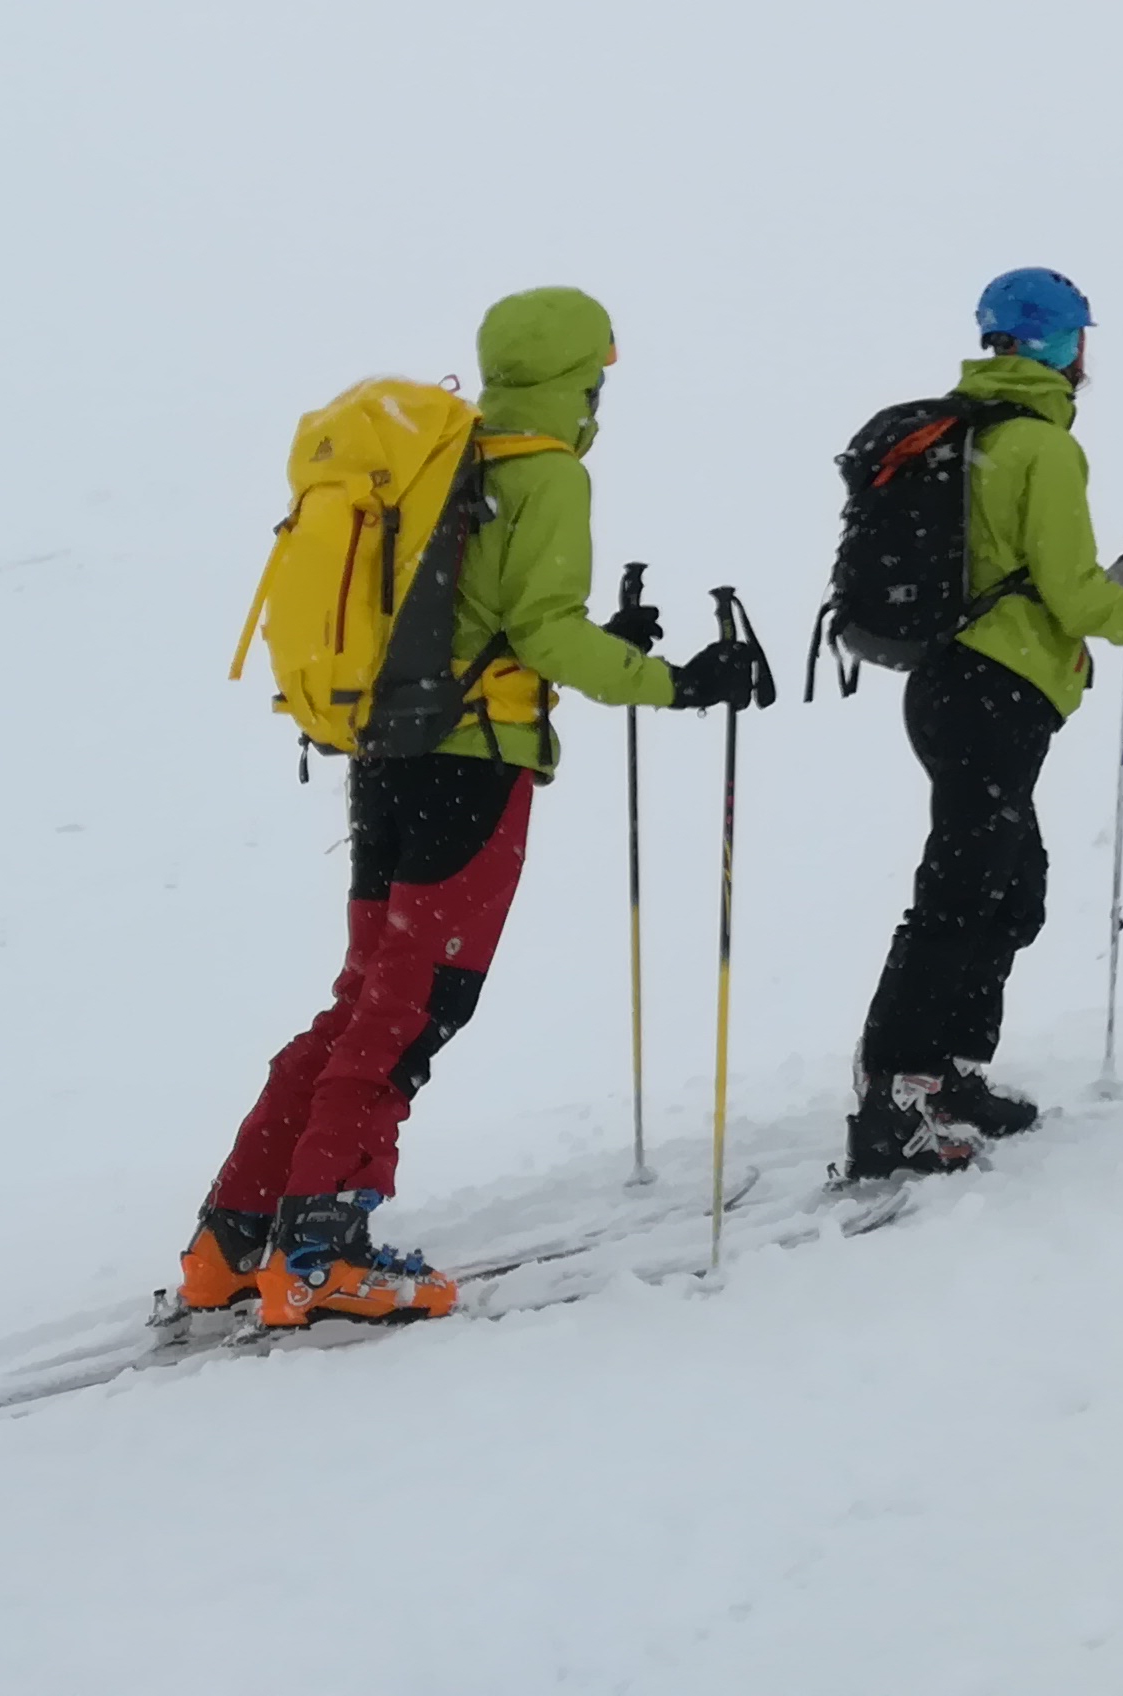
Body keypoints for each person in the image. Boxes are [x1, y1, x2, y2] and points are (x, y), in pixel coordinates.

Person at [181, 287, 753, 1326]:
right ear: (583, 372)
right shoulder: (544, 473)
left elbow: (481, 612)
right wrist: (673, 677)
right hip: (471, 761)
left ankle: (232, 1235)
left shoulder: (441, 466)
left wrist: (600, 636)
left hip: (384, 750)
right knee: (416, 1001)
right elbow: (539, 634)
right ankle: (323, 1247)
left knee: (366, 990)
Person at [845, 267, 1123, 1180]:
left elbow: (1027, 576)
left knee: (1007, 886)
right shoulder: (1041, 449)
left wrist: (1103, 596)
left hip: (948, 684)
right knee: (964, 890)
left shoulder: (968, 435)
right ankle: (896, 1097)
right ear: (1063, 344)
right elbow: (1070, 595)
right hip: (997, 690)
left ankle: (949, 1077)